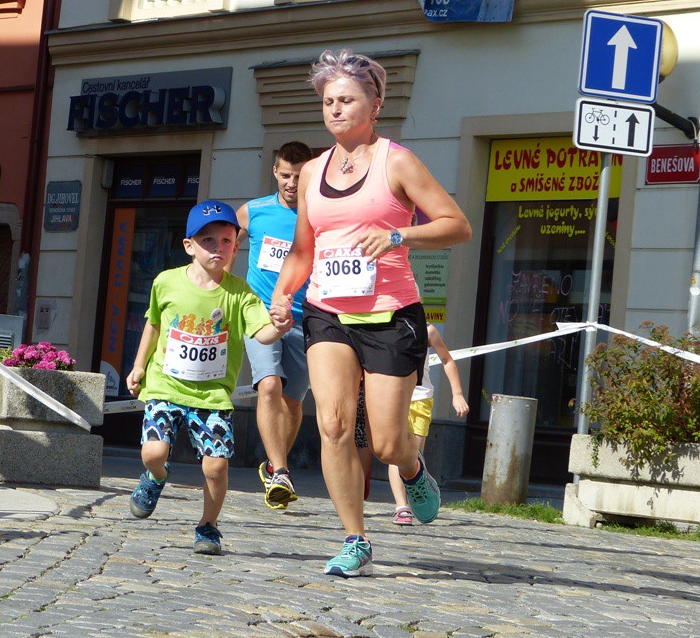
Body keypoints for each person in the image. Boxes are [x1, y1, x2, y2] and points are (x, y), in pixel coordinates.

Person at [269, 48, 471, 577]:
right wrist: (283, 294)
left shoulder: (396, 161)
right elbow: (304, 250)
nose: (335, 109)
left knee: (384, 442)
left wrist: (399, 235)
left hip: (391, 314)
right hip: (327, 312)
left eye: (346, 100)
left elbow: (457, 225)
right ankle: (354, 538)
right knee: (334, 425)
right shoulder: (311, 172)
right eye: (328, 101)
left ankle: (413, 469)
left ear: (375, 105)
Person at [126, 200, 292, 556]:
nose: (218, 248)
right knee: (154, 452)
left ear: (236, 247)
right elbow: (153, 325)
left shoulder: (240, 293)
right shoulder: (166, 282)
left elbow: (261, 332)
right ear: (189, 246)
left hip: (212, 394)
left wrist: (279, 328)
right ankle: (155, 477)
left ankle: (208, 526)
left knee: (216, 466)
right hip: (165, 386)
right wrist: (139, 366)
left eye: (227, 241)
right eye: (208, 241)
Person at [236, 142, 315, 510]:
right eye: (285, 175)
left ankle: (272, 464)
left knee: (293, 402)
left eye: (298, 176)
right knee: (269, 385)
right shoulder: (253, 212)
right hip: (261, 314)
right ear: (275, 172)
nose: (291, 183)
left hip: (305, 318)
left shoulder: (318, 215)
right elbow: (222, 247)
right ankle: (281, 472)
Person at [389, 323, 469, 524]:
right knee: (394, 451)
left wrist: (457, 394)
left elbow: (447, 360)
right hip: (393, 397)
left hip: (420, 399)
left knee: (412, 455)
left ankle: (419, 486)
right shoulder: (385, 327)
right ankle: (401, 507)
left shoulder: (428, 331)